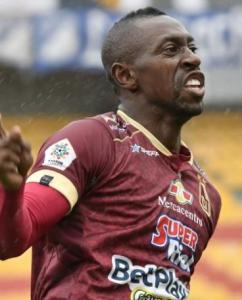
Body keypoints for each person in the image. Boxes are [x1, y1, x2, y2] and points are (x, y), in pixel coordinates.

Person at [0, 7, 221, 300]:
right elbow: (10, 241)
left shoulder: (206, 195)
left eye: (192, 48)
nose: (193, 58)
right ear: (126, 75)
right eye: (171, 50)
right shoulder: (91, 142)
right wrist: (10, 190)